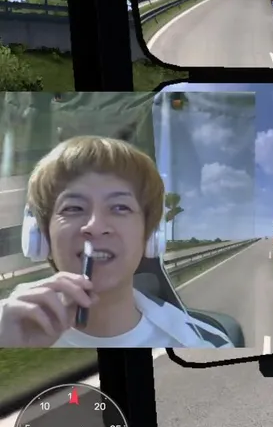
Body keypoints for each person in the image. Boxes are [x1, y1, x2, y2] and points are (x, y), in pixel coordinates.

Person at [0, 136, 234, 348]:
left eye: (120, 207)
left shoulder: (205, 345)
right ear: (40, 235)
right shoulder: (6, 330)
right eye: (73, 208)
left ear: (150, 234)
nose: (95, 227)